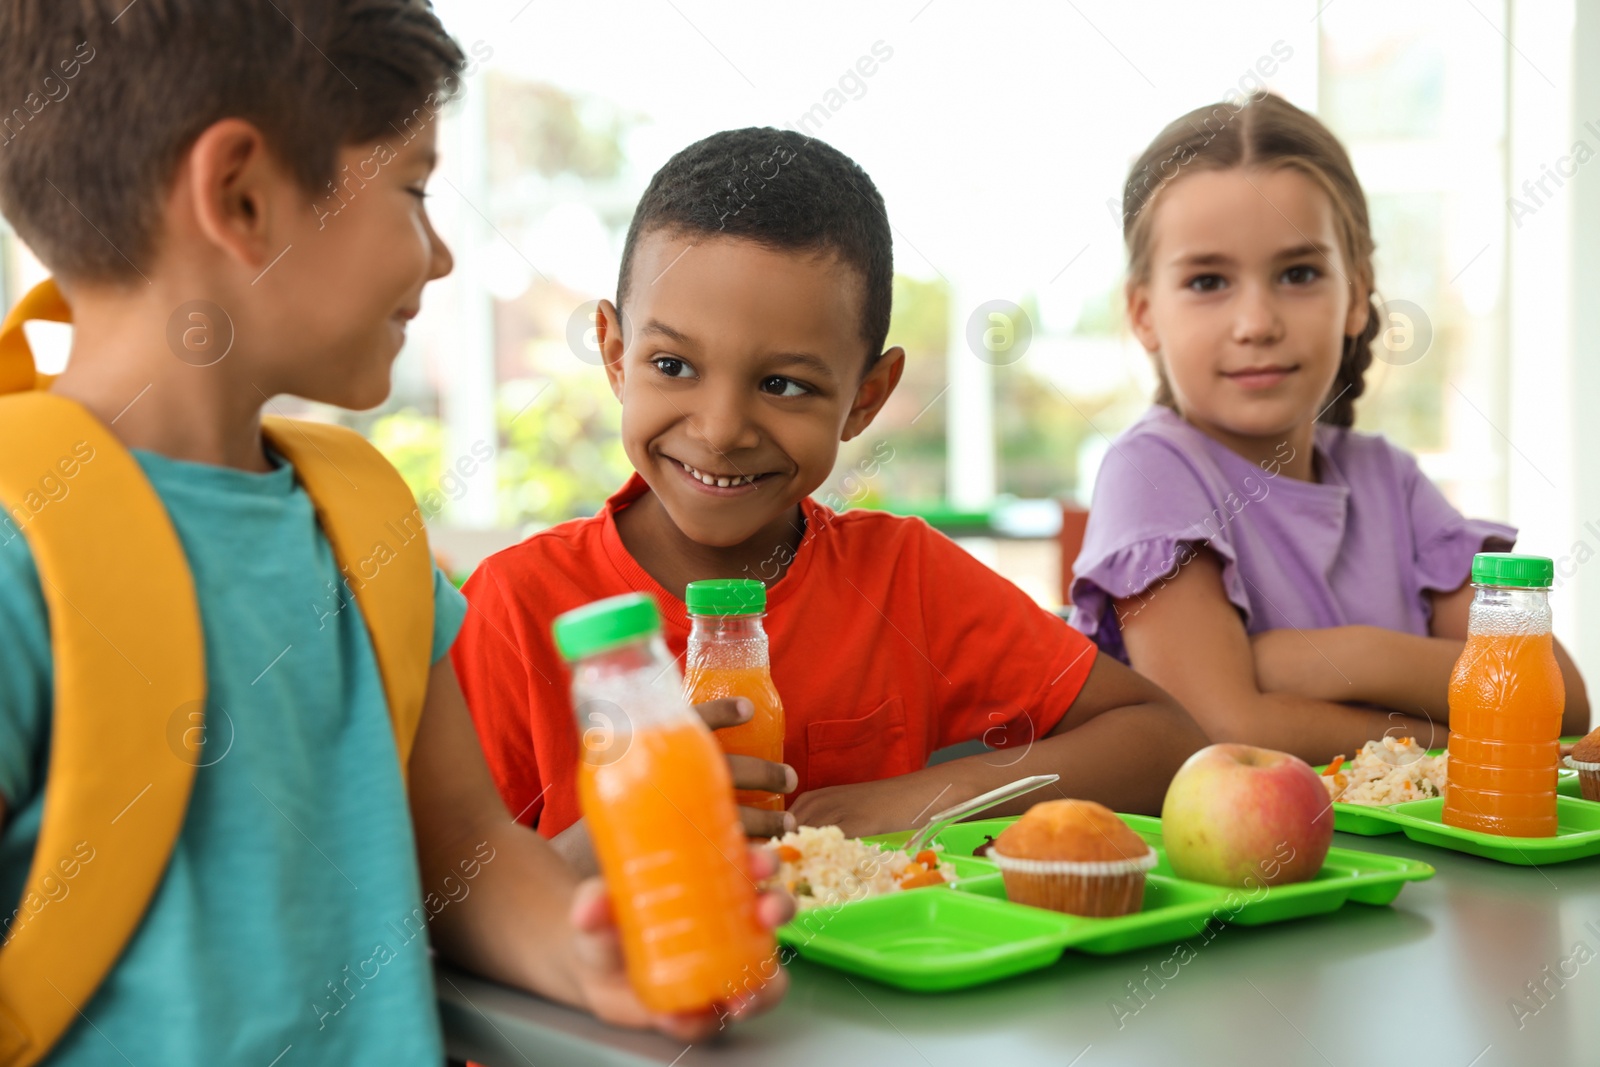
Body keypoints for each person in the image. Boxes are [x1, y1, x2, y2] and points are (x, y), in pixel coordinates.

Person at [0, 3, 786, 1062]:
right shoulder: (17, 549)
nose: (444, 253)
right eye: (413, 189)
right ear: (240, 194)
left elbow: (462, 846)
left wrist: (584, 955)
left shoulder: (359, 519)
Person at [452, 127, 1208, 874]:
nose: (719, 431)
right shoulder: (519, 610)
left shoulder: (904, 579)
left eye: (783, 384)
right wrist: (623, 832)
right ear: (616, 356)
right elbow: (442, 899)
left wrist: (922, 796)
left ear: (865, 398)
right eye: (673, 364)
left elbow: (1161, 738)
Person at [1068, 92, 1589, 765]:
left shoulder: (1390, 480)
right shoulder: (1153, 471)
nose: (1256, 321)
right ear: (1143, 313)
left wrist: (1337, 658)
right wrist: (1473, 730)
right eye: (1207, 281)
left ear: (1355, 293)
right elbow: (1225, 733)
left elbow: (1562, 696)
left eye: (1298, 273)